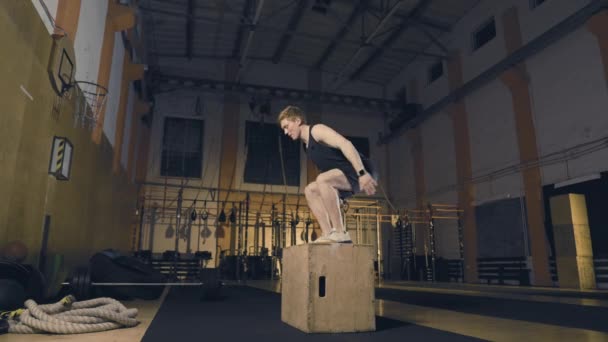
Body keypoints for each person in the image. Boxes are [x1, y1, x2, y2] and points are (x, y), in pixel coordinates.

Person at [277, 105, 378, 243]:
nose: (285, 132)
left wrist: (363, 173)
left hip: (360, 169)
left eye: (287, 126)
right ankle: (328, 233)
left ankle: (341, 233)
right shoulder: (306, 146)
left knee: (322, 179)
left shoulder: (317, 130)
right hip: (343, 175)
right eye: (283, 129)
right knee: (310, 190)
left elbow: (346, 144)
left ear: (297, 120)